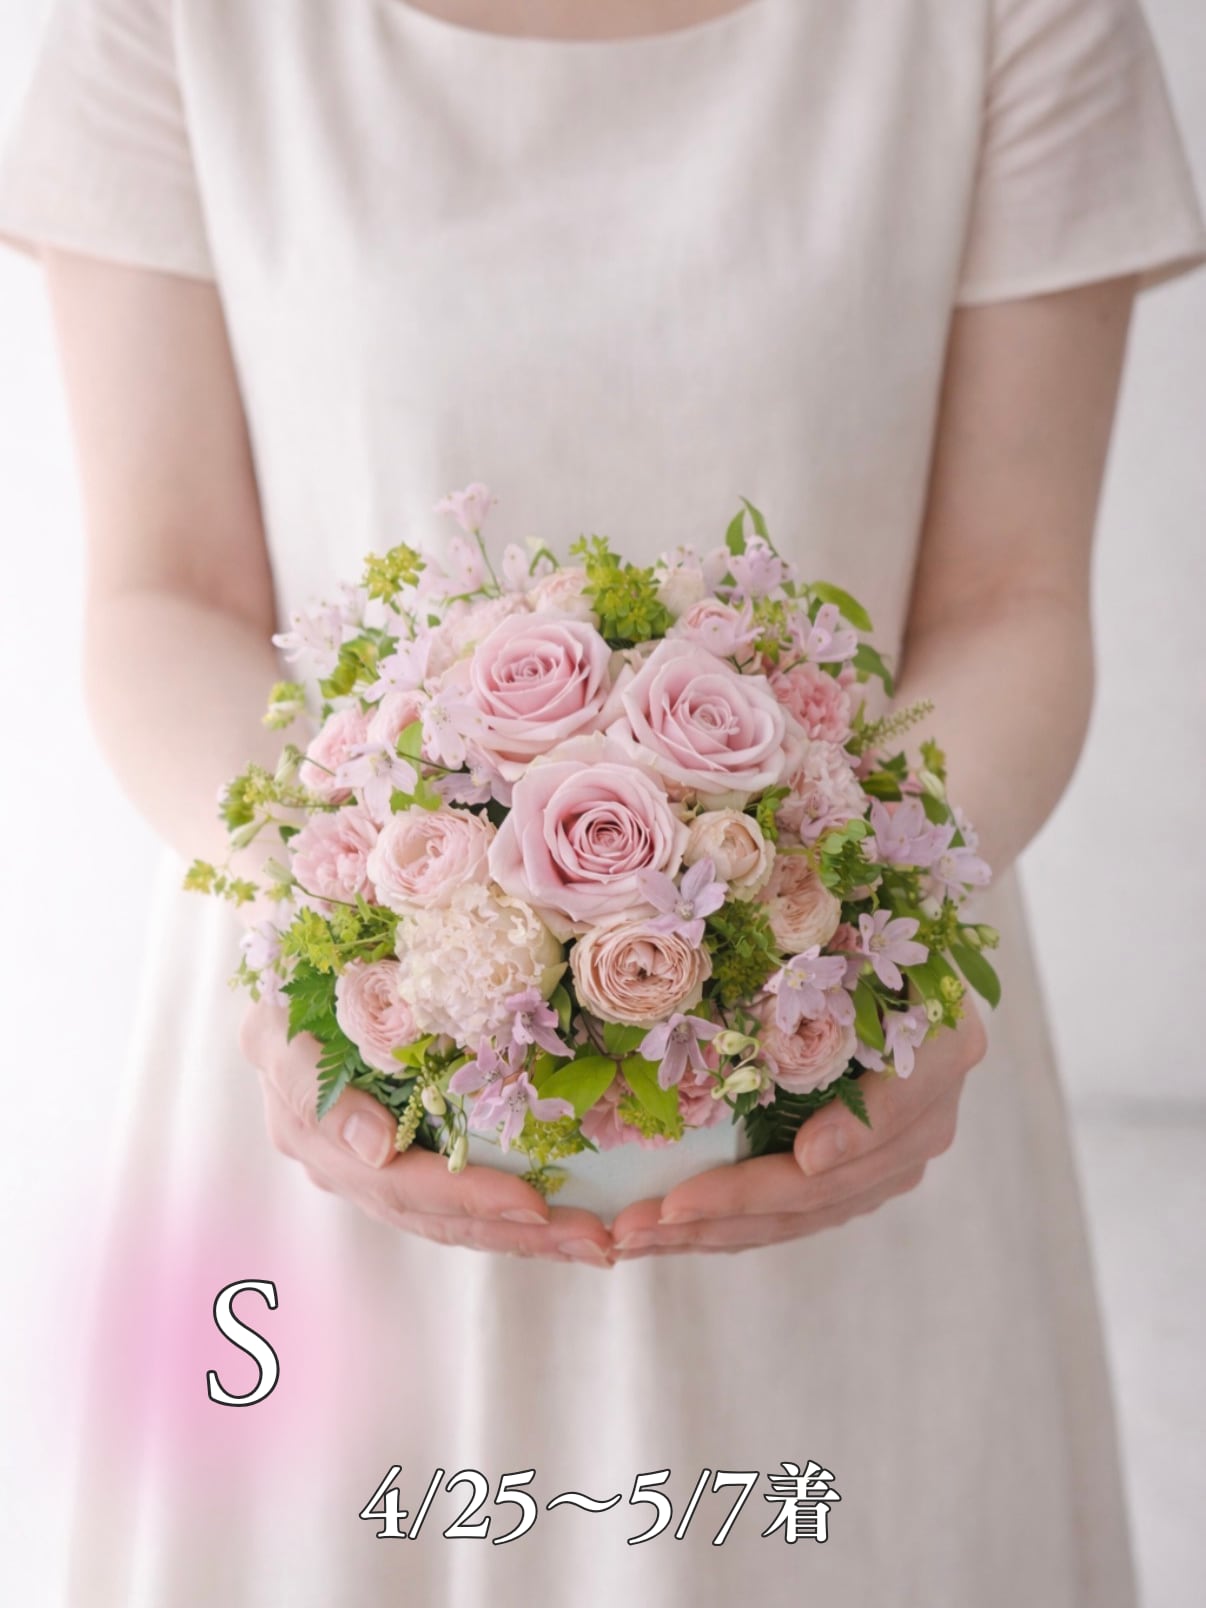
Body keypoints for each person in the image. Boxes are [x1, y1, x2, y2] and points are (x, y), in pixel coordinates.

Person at [2, 0, 1203, 1603]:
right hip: (338, 1043)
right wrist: (337, 929)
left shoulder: (1009, 21)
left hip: (842, 1053)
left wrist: (879, 948)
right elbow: (169, 592)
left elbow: (1008, 597)